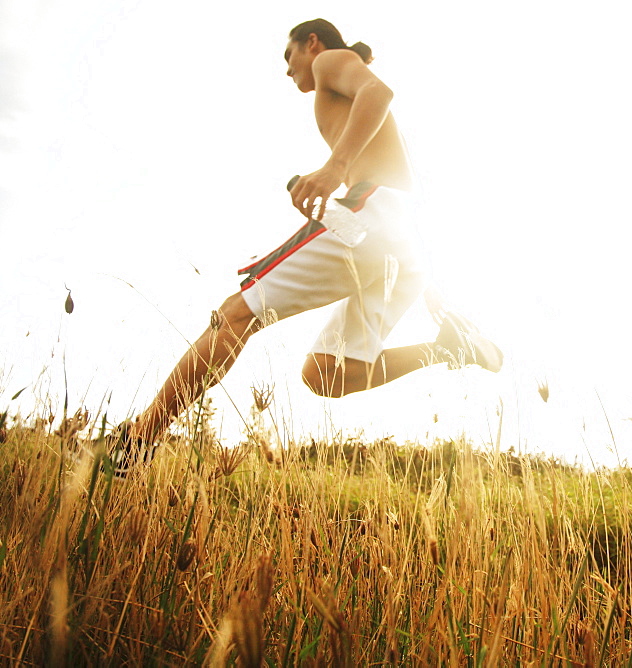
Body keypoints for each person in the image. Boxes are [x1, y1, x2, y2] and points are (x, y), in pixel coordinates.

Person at [109, 19, 502, 476]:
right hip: (397, 242)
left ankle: (139, 439)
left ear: (311, 43)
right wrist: (428, 287)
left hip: (372, 215)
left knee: (236, 313)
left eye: (289, 55)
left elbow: (379, 93)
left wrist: (335, 168)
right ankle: (448, 351)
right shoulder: (337, 91)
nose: (289, 68)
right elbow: (402, 203)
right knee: (327, 374)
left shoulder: (334, 60)